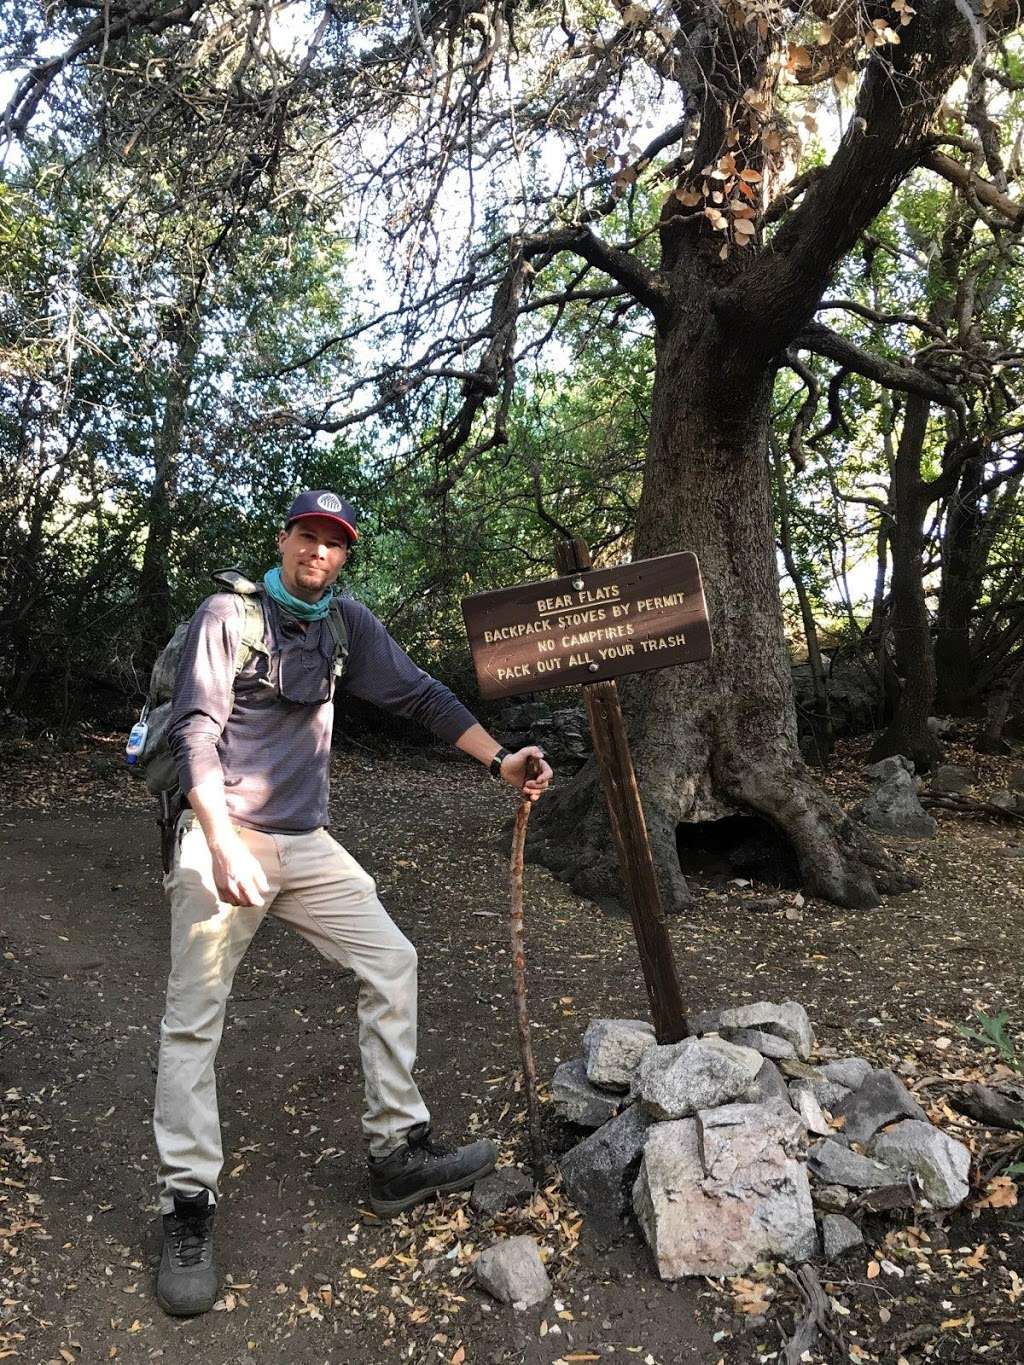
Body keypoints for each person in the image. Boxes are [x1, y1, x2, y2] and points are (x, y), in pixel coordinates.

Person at [153, 489, 552, 1317]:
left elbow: (420, 696)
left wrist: (500, 759)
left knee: (392, 957)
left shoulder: (345, 624)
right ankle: (186, 1206)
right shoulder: (229, 615)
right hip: (223, 829)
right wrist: (218, 839)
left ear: (345, 554)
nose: (319, 553)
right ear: (285, 538)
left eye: (335, 543)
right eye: (308, 536)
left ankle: (396, 1150)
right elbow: (195, 727)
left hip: (306, 840)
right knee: (194, 1017)